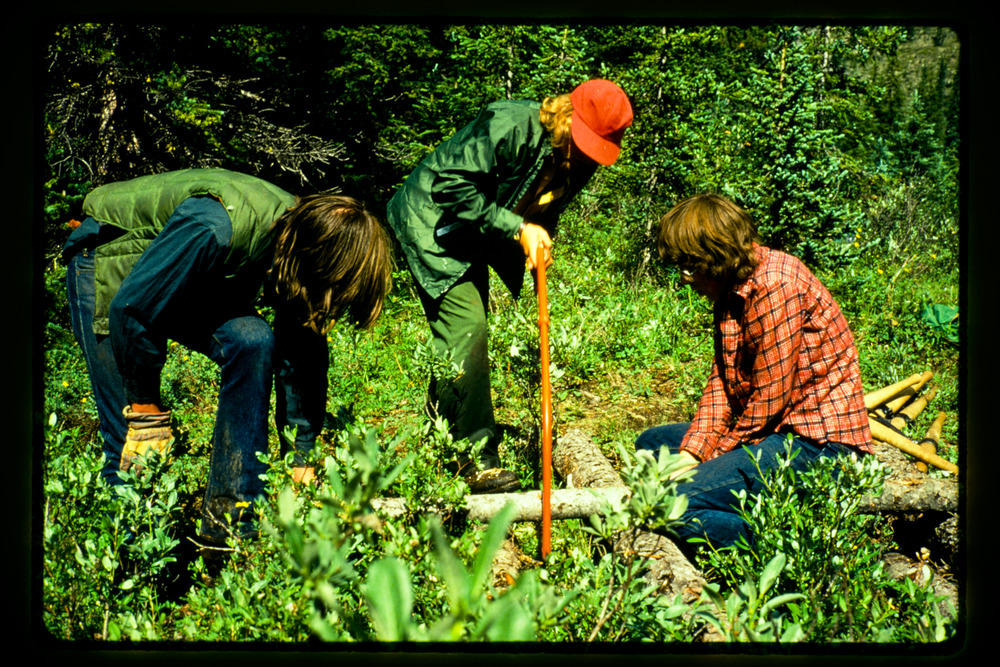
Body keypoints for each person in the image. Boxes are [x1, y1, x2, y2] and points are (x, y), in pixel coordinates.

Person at [62, 167, 392, 546]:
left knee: (251, 340)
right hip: (110, 262)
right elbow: (132, 309)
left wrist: (301, 455)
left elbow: (303, 351)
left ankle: (229, 524)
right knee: (130, 437)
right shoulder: (216, 226)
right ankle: (127, 569)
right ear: (320, 260)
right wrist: (145, 407)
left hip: (184, 270)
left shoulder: (299, 244)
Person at [386, 79, 633, 493]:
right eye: (586, 142)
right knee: (468, 327)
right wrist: (517, 228)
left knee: (459, 340)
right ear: (569, 117)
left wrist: (537, 247)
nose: (589, 156)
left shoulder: (576, 157)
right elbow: (451, 189)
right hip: (433, 221)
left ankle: (438, 445)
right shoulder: (510, 124)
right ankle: (475, 460)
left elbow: (545, 207)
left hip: (470, 235)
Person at [635, 193, 873, 551]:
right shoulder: (731, 291)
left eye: (690, 267)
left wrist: (712, 457)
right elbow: (722, 385)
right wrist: (691, 454)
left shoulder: (777, 286)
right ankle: (742, 508)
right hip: (772, 433)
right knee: (653, 445)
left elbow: (768, 402)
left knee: (671, 503)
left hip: (817, 447)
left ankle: (784, 543)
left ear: (714, 260)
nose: (686, 279)